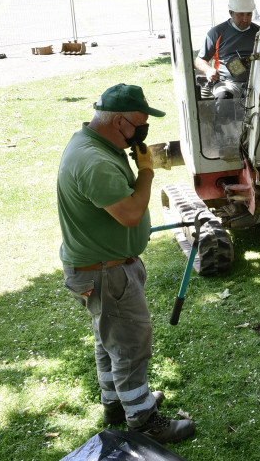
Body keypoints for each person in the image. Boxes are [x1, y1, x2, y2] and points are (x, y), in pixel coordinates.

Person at [57, 83, 195, 444]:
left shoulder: (99, 145)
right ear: (118, 121)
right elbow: (132, 214)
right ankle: (143, 419)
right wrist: (146, 171)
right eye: (139, 124)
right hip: (106, 272)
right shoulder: (94, 161)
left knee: (111, 340)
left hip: (105, 268)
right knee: (131, 344)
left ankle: (116, 403)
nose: (143, 131)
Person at [193, 0, 260, 99]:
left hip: (256, 82)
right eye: (240, 14)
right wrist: (209, 70)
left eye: (249, 14)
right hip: (226, 83)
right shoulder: (217, 33)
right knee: (224, 97)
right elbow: (200, 60)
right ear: (231, 12)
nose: (245, 19)